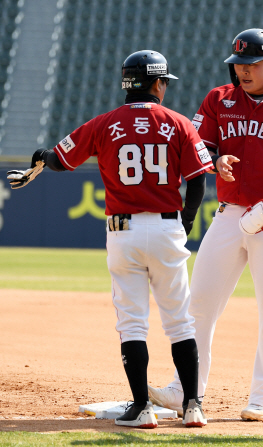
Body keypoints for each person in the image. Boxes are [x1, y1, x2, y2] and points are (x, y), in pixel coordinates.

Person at [6, 50, 212, 428]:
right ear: (156, 83)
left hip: (123, 232)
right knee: (180, 323)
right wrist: (186, 219)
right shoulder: (179, 123)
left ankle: (141, 408)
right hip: (167, 228)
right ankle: (194, 405)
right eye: (164, 80)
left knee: (133, 322)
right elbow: (199, 177)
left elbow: (59, 160)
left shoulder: (105, 124)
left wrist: (41, 156)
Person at [147, 28, 263, 421]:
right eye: (238, 64)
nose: (242, 71)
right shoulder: (219, 99)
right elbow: (199, 146)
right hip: (230, 214)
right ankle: (184, 390)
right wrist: (214, 162)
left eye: (250, 65)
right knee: (199, 304)